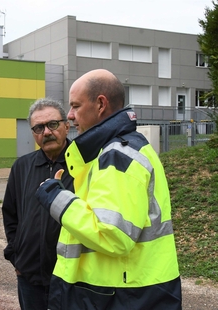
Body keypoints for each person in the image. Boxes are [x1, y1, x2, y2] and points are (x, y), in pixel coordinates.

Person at [35, 69, 182, 309]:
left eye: (75, 106)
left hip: (120, 296)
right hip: (131, 291)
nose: (70, 116)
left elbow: (112, 235)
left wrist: (56, 198)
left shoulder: (117, 155)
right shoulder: (124, 149)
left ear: (101, 104)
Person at [2, 98, 74, 310]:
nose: (47, 132)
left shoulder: (83, 164)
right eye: (39, 128)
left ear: (66, 126)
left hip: (71, 277)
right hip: (30, 276)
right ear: (33, 133)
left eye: (53, 124)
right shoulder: (22, 167)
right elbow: (10, 215)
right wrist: (16, 257)